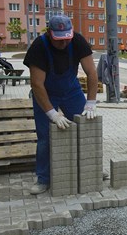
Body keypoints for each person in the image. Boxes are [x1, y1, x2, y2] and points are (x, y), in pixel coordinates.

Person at [23, 15, 98, 195]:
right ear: (50, 34)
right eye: (59, 40)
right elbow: (37, 84)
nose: (64, 44)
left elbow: (92, 73)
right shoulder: (39, 47)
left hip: (71, 90)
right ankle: (43, 178)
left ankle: (90, 170)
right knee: (45, 137)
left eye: (67, 38)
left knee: (86, 128)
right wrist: (52, 114)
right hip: (46, 93)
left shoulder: (78, 41)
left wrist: (91, 103)